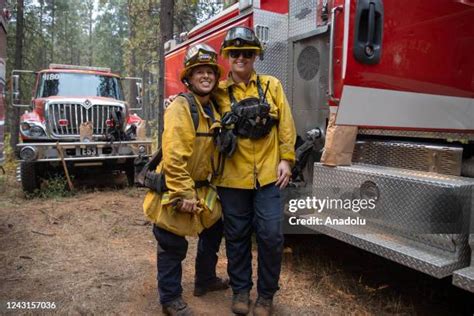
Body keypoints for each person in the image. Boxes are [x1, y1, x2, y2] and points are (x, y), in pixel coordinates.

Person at [213, 26, 296, 316]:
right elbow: (195, 108)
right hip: (232, 178)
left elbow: (285, 123)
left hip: (269, 177)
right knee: (236, 236)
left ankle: (266, 296)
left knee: (271, 235)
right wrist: (179, 101)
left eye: (247, 52)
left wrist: (287, 158)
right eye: (235, 52)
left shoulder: (272, 85)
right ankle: (240, 291)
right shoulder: (217, 92)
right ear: (227, 56)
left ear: (255, 56)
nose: (241, 57)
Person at [143, 43, 229, 316]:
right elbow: (174, 157)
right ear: (189, 79)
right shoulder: (181, 108)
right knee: (172, 243)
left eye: (210, 72)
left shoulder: (214, 108)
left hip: (205, 190)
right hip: (179, 189)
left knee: (213, 231)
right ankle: (170, 299)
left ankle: (204, 280)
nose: (205, 76)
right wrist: (183, 196)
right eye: (199, 72)